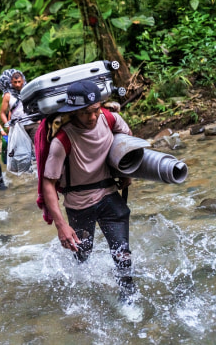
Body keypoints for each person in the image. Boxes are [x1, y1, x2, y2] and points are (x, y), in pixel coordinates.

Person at [41, 80, 136, 301]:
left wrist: (126, 174)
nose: (92, 118)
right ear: (73, 113)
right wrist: (61, 226)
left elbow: (128, 144)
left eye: (95, 110)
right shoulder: (63, 140)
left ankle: (128, 296)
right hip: (79, 205)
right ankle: (82, 296)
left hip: (109, 196)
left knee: (123, 255)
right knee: (83, 257)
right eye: (84, 113)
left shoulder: (111, 118)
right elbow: (48, 184)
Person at [0, 69, 40, 142]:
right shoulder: (8, 95)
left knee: (37, 146)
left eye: (19, 82)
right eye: (15, 82)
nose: (17, 84)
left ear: (23, 81)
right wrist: (8, 125)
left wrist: (39, 119)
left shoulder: (29, 91)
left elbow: (37, 105)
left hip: (32, 123)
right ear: (11, 82)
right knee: (22, 150)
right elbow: (2, 113)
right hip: (17, 126)